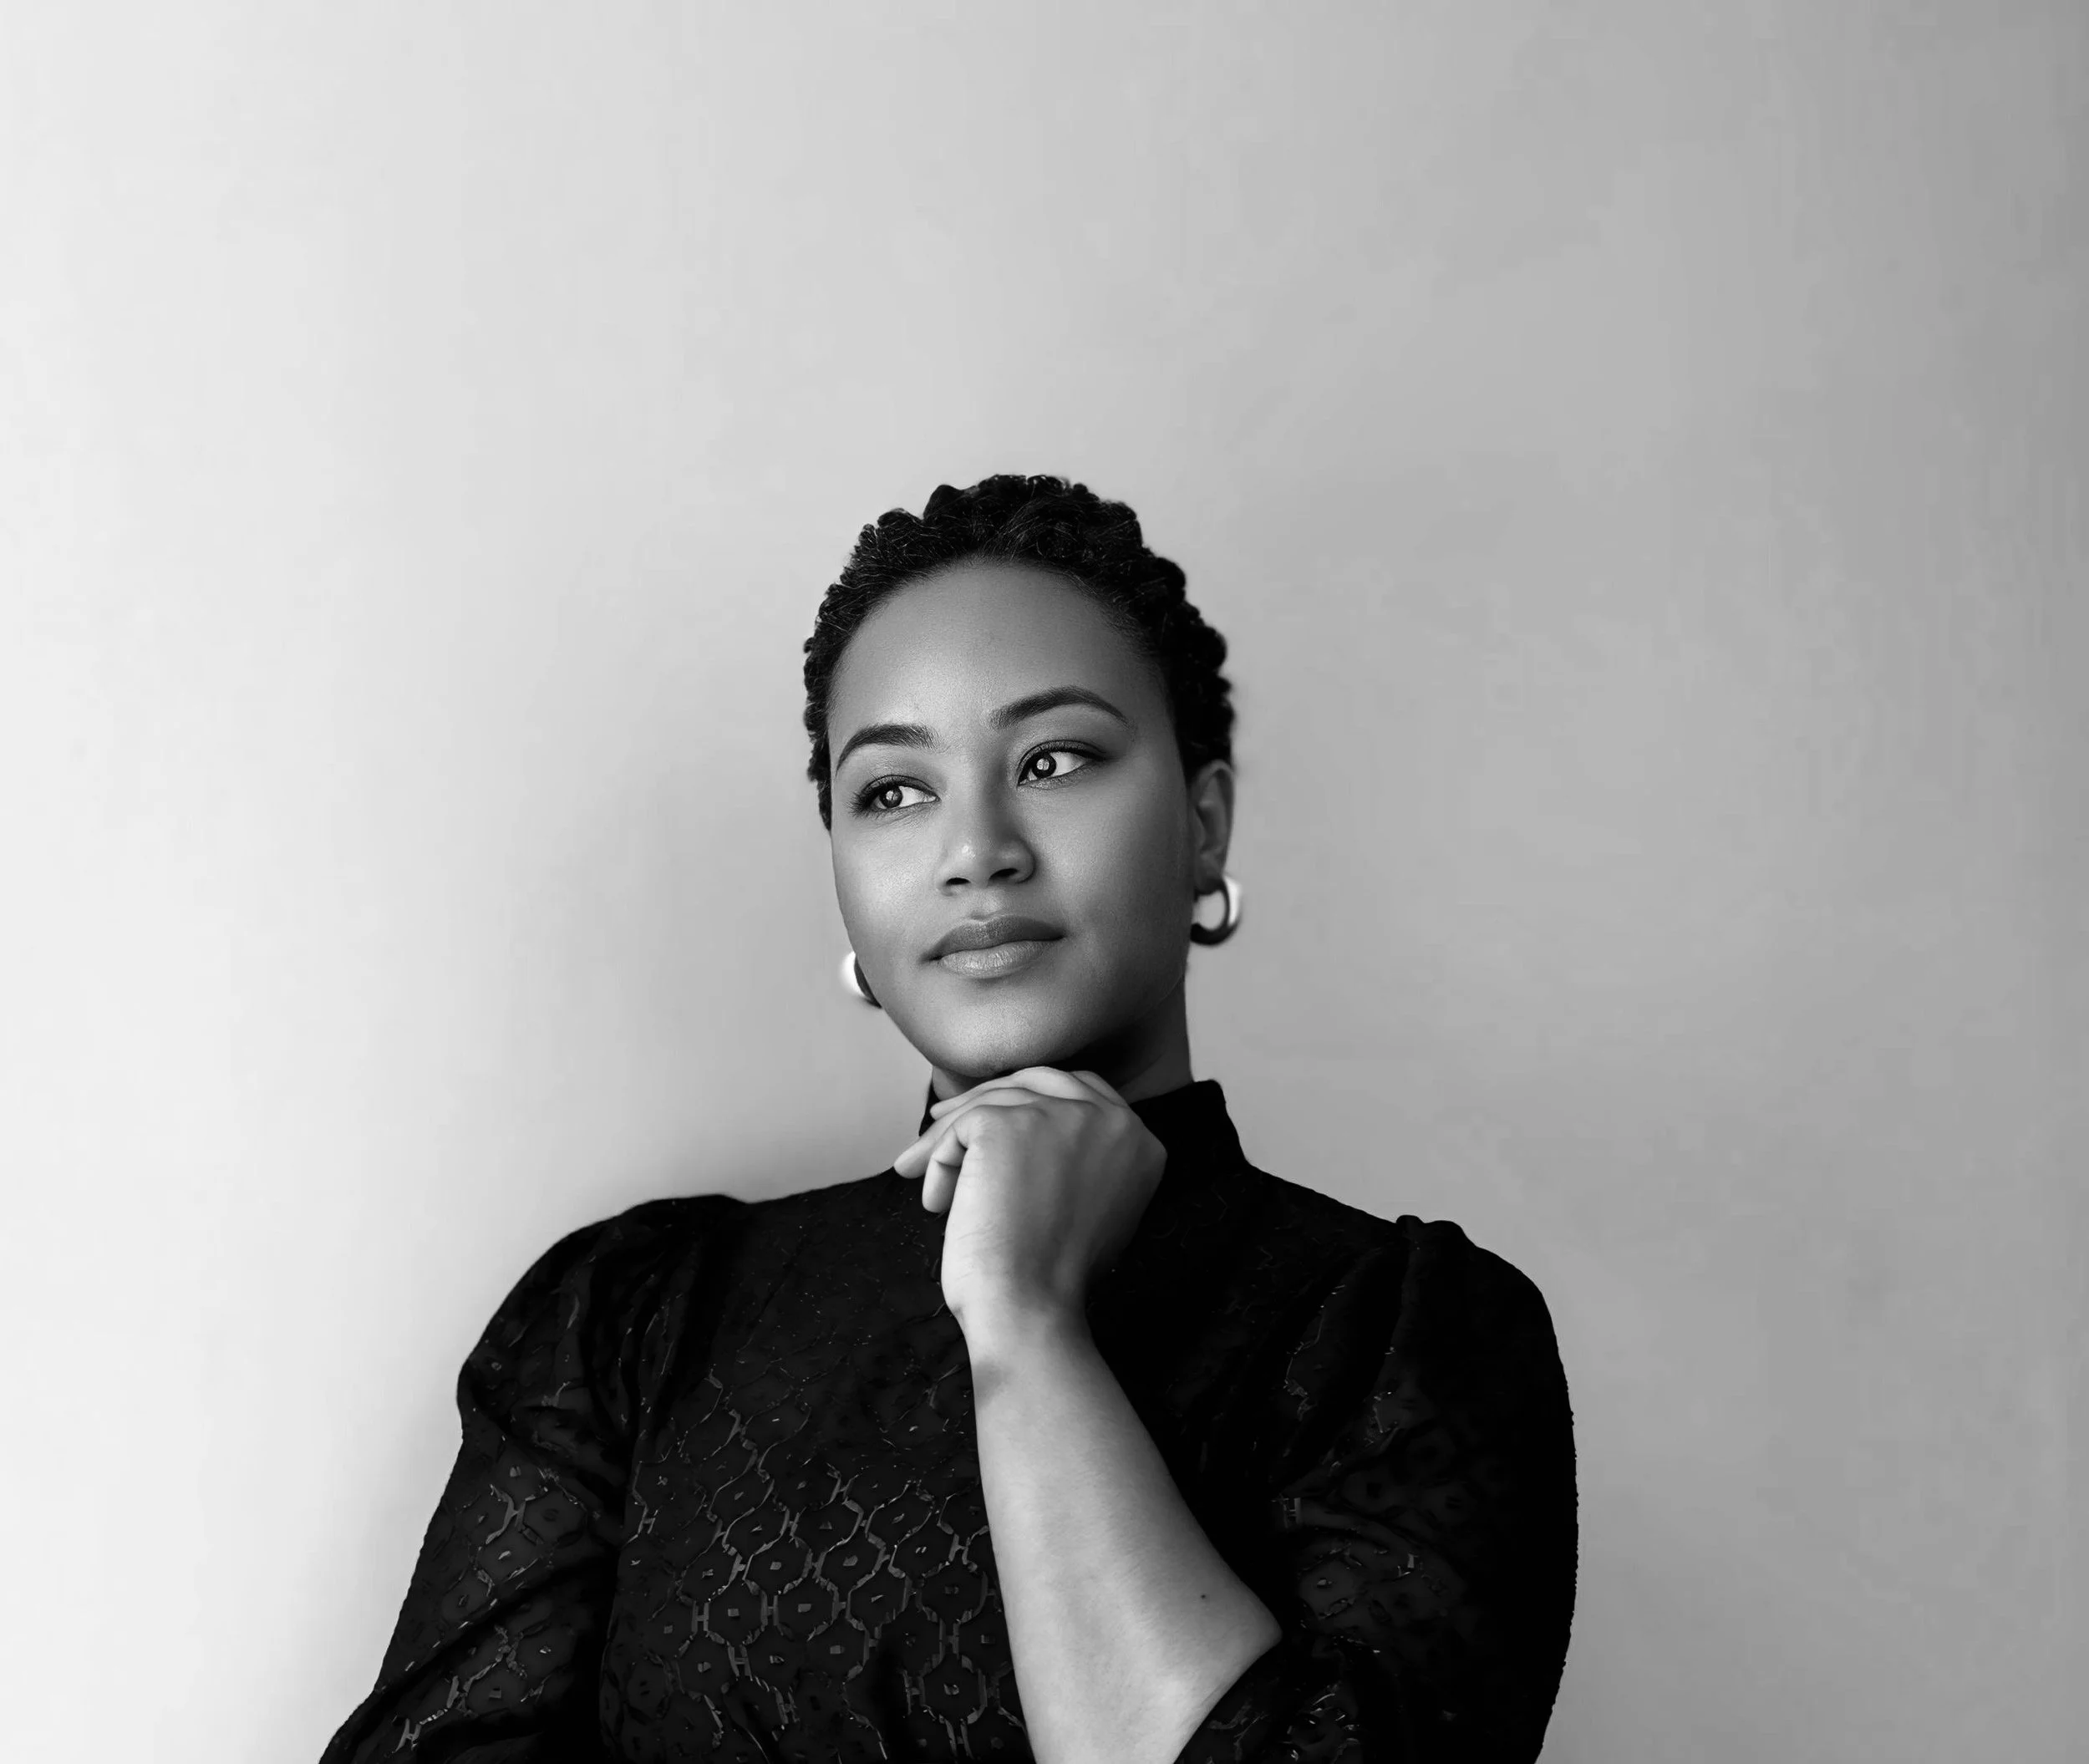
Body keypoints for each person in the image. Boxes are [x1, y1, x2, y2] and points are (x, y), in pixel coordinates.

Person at [320, 475, 1578, 1763]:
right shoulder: (635, 1318)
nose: (976, 848)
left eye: (1054, 760)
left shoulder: (1402, 1331)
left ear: (1205, 825)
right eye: (894, 791)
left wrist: (1027, 1327)